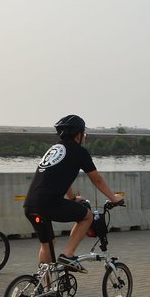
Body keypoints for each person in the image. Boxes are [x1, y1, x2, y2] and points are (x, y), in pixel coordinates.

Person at [23, 115, 125, 276]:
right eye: (83, 133)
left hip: (30, 205)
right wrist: (113, 197)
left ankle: (44, 286)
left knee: (47, 244)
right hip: (49, 204)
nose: (84, 136)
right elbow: (97, 180)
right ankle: (68, 255)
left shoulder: (54, 149)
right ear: (78, 134)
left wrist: (71, 198)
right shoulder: (79, 152)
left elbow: (61, 177)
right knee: (87, 216)